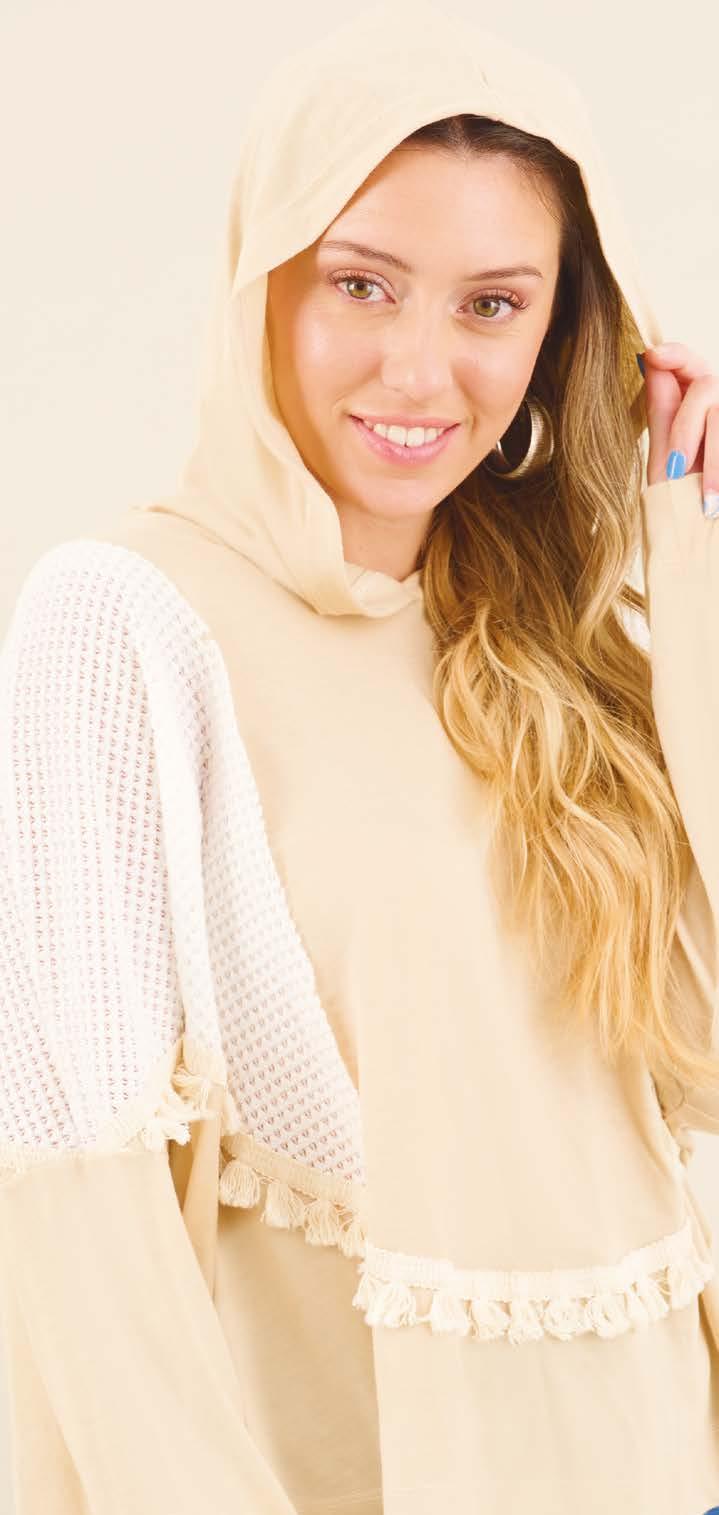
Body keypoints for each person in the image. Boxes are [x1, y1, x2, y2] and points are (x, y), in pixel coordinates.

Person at [1, 3, 719, 1511]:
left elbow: (703, 1056)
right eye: (361, 283)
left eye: (492, 305)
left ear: (559, 332)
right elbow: (83, 1202)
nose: (420, 368)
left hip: (654, 1458)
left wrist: (692, 554)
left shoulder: (554, 644)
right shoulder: (125, 620)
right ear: (262, 284)